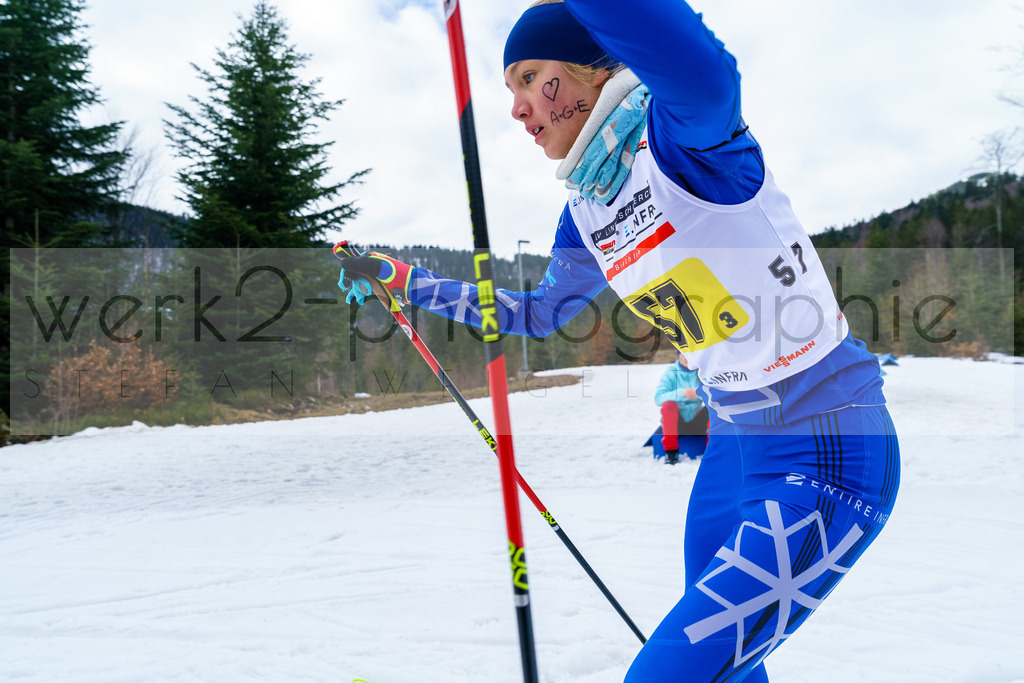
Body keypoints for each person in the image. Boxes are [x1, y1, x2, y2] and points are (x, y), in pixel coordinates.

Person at [336, 1, 901, 680]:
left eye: (529, 77)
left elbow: (709, 73)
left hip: (828, 446)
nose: (517, 107)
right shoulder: (586, 208)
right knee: (732, 669)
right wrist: (405, 279)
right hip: (733, 446)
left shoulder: (685, 134)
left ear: (590, 65)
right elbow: (541, 312)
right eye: (509, 89)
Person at [655, 351, 708, 465]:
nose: (686, 358)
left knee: (712, 408)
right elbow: (658, 398)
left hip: (696, 422)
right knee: (668, 405)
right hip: (677, 423)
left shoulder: (702, 373)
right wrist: (682, 394)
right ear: (678, 354)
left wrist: (700, 393)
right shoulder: (670, 373)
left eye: (689, 355)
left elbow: (713, 396)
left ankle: (711, 451)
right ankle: (671, 452)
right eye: (683, 354)